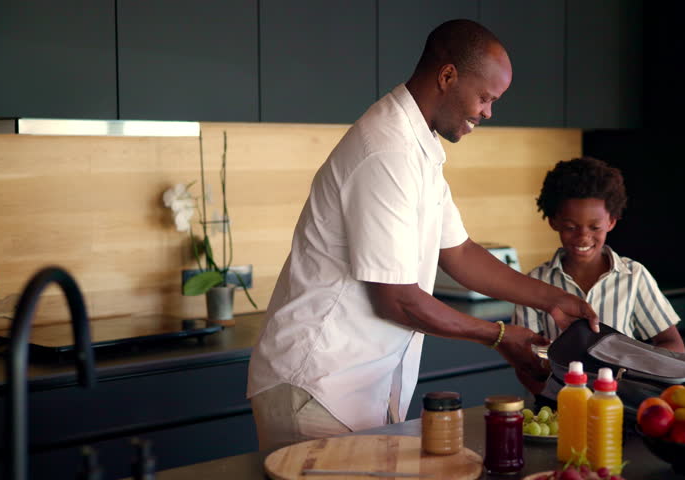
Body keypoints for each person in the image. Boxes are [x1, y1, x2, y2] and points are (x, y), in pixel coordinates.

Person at [246, 19, 599, 451]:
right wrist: (500, 336)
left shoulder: (418, 147)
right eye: (485, 97)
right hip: (316, 387)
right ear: (447, 76)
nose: (488, 112)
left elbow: (461, 253)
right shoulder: (388, 151)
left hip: (352, 389)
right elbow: (396, 299)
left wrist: (555, 300)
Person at [511, 156, 685, 394]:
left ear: (611, 222)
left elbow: (672, 343)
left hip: (621, 401)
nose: (583, 237)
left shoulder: (633, 276)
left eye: (595, 227)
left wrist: (635, 372)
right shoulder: (534, 283)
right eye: (571, 227)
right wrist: (549, 396)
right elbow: (523, 358)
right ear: (553, 221)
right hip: (559, 402)